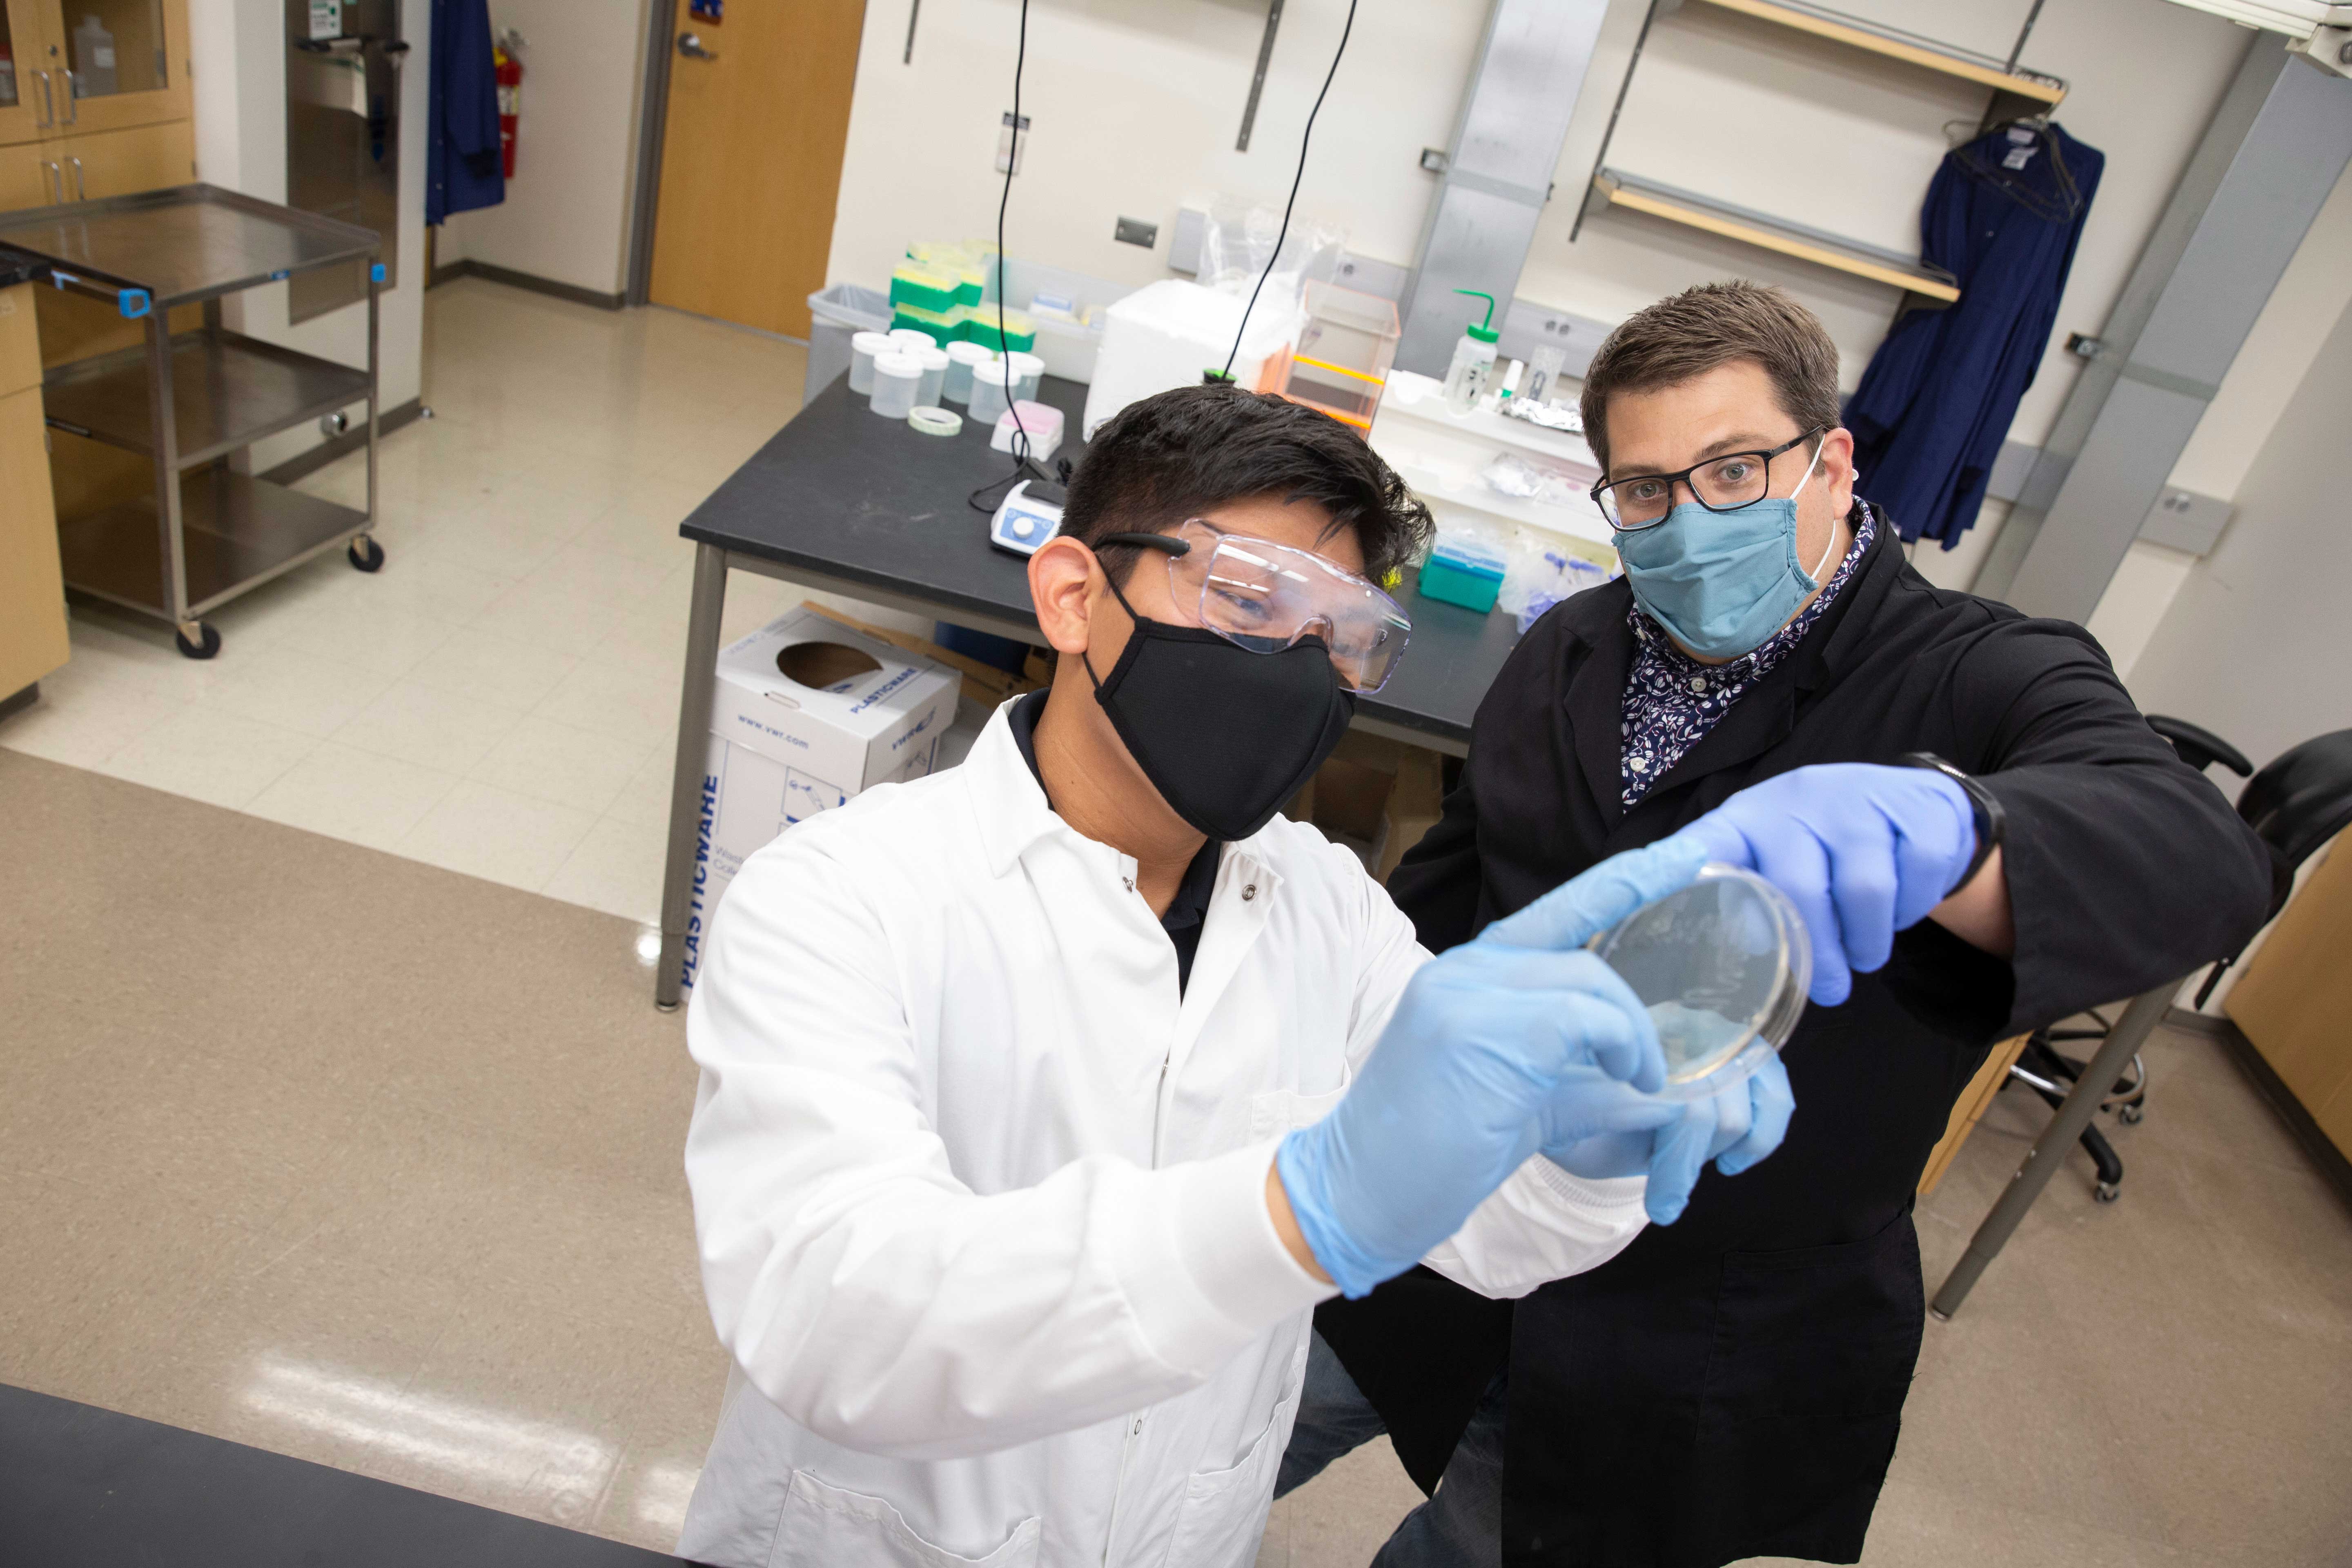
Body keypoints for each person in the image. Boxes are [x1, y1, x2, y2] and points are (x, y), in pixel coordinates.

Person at [673, 384, 1797, 1568]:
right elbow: (836, 1324)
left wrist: (1582, 1142)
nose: (1298, 671)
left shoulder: (1334, 914)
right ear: (1071, 596)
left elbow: (1488, 1232)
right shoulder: (839, 897)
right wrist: (1296, 1209)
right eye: (1252, 601)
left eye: (1342, 637)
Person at [1289, 281, 2278, 1566]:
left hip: (1685, 1323)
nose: (1688, 521)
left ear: (1833, 462)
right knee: (1200, 1430)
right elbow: (1442, 899)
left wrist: (1952, 831)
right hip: (1457, 1212)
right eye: (1643, 489)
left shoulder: (1979, 671)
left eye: (1736, 469)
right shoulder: (1571, 648)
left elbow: (2200, 854)